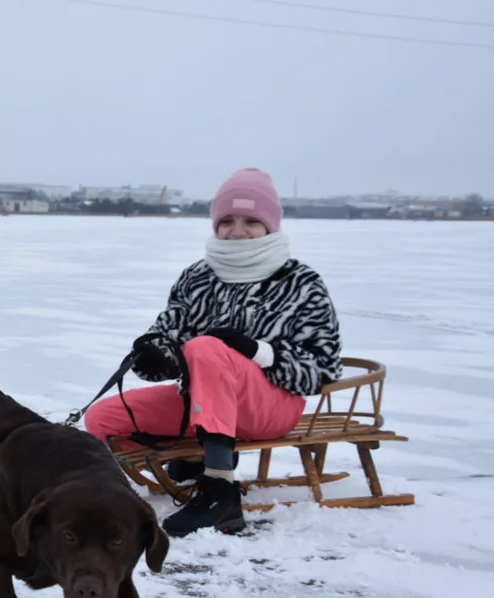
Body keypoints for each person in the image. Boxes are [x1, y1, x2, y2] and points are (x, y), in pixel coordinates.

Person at [83, 168, 343, 537]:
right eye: (227, 221)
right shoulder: (197, 277)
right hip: (204, 405)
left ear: (270, 224)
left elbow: (323, 370)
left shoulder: (301, 283)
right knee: (101, 418)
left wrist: (259, 352)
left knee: (205, 347)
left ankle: (220, 491)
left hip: (270, 407)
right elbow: (168, 332)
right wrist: (155, 355)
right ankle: (195, 456)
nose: (237, 230)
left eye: (251, 221)